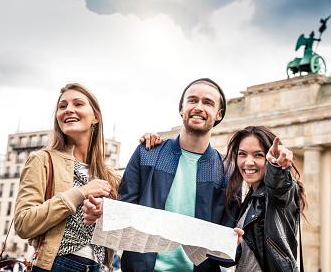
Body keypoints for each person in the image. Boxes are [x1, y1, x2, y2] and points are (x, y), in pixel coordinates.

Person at [83, 78, 239, 272]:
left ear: (218, 114)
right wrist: (100, 212)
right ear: (181, 108)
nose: (198, 107)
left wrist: (235, 245)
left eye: (207, 102)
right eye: (192, 100)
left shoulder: (228, 172)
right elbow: (123, 212)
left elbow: (226, 256)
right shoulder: (147, 153)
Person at [14, 83, 121, 271]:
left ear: (95, 117)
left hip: (99, 267)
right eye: (62, 106)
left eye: (78, 104)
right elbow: (23, 224)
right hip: (56, 265)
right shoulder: (42, 160)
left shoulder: (110, 176)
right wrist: (80, 193)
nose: (69, 110)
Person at [222, 126, 307, 272]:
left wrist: (276, 166)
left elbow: (279, 185)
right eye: (242, 154)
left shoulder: (276, 194)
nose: (248, 162)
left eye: (258, 155)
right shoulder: (249, 201)